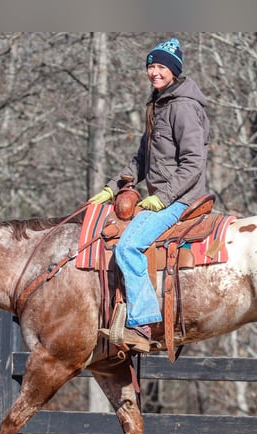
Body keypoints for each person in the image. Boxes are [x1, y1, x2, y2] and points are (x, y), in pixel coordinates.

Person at [89, 37, 210, 353]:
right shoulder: (159, 104)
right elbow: (142, 159)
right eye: (151, 66)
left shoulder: (183, 107)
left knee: (128, 247)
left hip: (181, 198)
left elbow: (194, 162)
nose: (154, 72)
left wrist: (163, 197)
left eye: (161, 67)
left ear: (173, 71)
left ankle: (143, 322)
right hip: (165, 195)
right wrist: (112, 187)